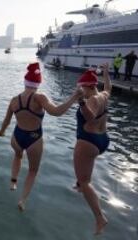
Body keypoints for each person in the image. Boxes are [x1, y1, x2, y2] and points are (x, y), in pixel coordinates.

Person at [0, 62, 82, 211]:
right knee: (32, 171)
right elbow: (56, 112)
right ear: (37, 83)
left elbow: (6, 121)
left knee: (17, 156)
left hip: (17, 137)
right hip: (34, 138)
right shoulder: (39, 97)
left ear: (25, 83)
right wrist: (74, 97)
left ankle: (13, 181)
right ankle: (22, 200)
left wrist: (2, 131)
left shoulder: (14, 100)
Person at [73, 63, 111, 235]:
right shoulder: (103, 95)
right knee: (83, 174)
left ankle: (100, 218)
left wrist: (81, 101)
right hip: (102, 139)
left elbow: (89, 117)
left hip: (88, 141)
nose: (81, 90)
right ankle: (80, 184)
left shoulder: (92, 100)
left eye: (82, 87)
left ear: (88, 86)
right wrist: (106, 72)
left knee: (85, 182)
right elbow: (108, 87)